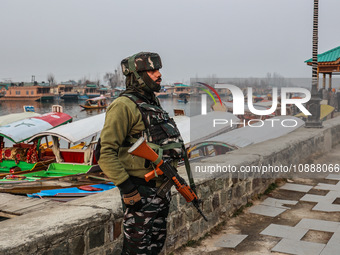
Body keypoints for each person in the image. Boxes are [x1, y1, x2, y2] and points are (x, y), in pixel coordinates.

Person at [99, 52, 186, 255]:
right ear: (137, 75)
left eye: (158, 70)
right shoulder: (123, 106)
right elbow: (106, 152)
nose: (158, 75)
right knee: (136, 250)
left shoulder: (151, 103)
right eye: (152, 70)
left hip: (160, 190)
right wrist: (128, 189)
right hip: (140, 192)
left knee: (155, 246)